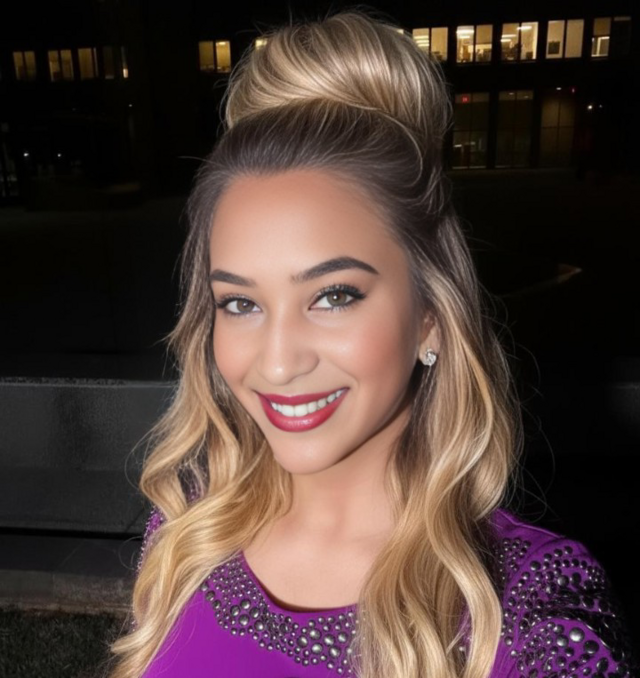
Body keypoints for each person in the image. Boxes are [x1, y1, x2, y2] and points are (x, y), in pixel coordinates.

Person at [105, 9, 637, 678]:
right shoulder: (189, 526)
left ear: (431, 315)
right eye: (240, 303)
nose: (277, 363)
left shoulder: (534, 606)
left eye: (333, 296)